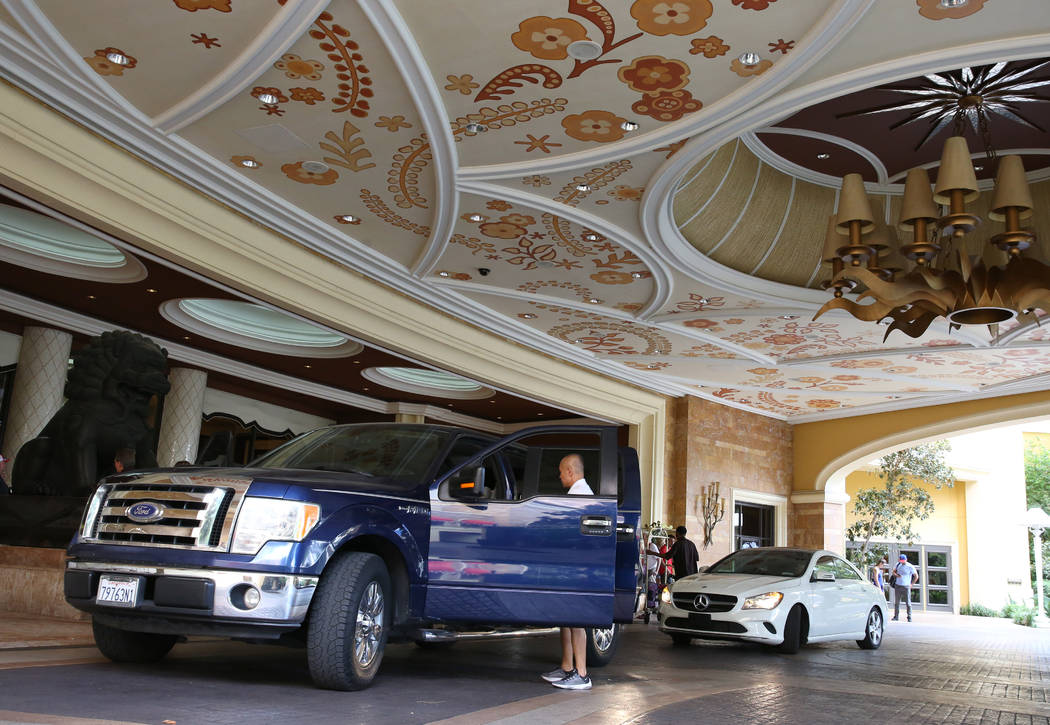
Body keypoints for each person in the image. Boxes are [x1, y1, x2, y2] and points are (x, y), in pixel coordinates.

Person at [541, 453, 593, 691]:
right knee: (566, 618)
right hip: (572, 565)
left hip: (577, 567)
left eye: (562, 472)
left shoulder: (580, 496)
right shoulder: (577, 493)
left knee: (576, 620)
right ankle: (567, 667)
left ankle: (581, 674)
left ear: (571, 472)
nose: (559, 475)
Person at [891, 553, 919, 621]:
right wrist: (896, 575)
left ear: (906, 560)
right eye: (901, 561)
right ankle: (896, 616)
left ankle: (909, 616)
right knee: (897, 602)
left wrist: (911, 584)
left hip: (906, 586)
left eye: (903, 561)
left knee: (908, 602)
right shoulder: (898, 564)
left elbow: (916, 576)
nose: (902, 562)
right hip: (898, 585)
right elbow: (893, 572)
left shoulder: (910, 566)